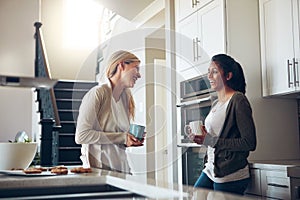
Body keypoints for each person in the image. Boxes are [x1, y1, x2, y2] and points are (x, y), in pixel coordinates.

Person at [192, 54, 256, 195]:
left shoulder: (238, 100)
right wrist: (203, 136)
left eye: (214, 72)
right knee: (196, 194)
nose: (209, 76)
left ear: (228, 76)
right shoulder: (216, 103)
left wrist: (210, 140)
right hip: (211, 169)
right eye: (209, 71)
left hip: (230, 173)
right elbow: (216, 138)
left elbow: (249, 142)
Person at [75, 50, 144, 174]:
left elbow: (116, 140)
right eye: (136, 68)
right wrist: (122, 138)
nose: (139, 75)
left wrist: (130, 139)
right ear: (121, 65)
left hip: (122, 170)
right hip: (99, 173)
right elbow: (82, 136)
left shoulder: (126, 97)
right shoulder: (97, 93)